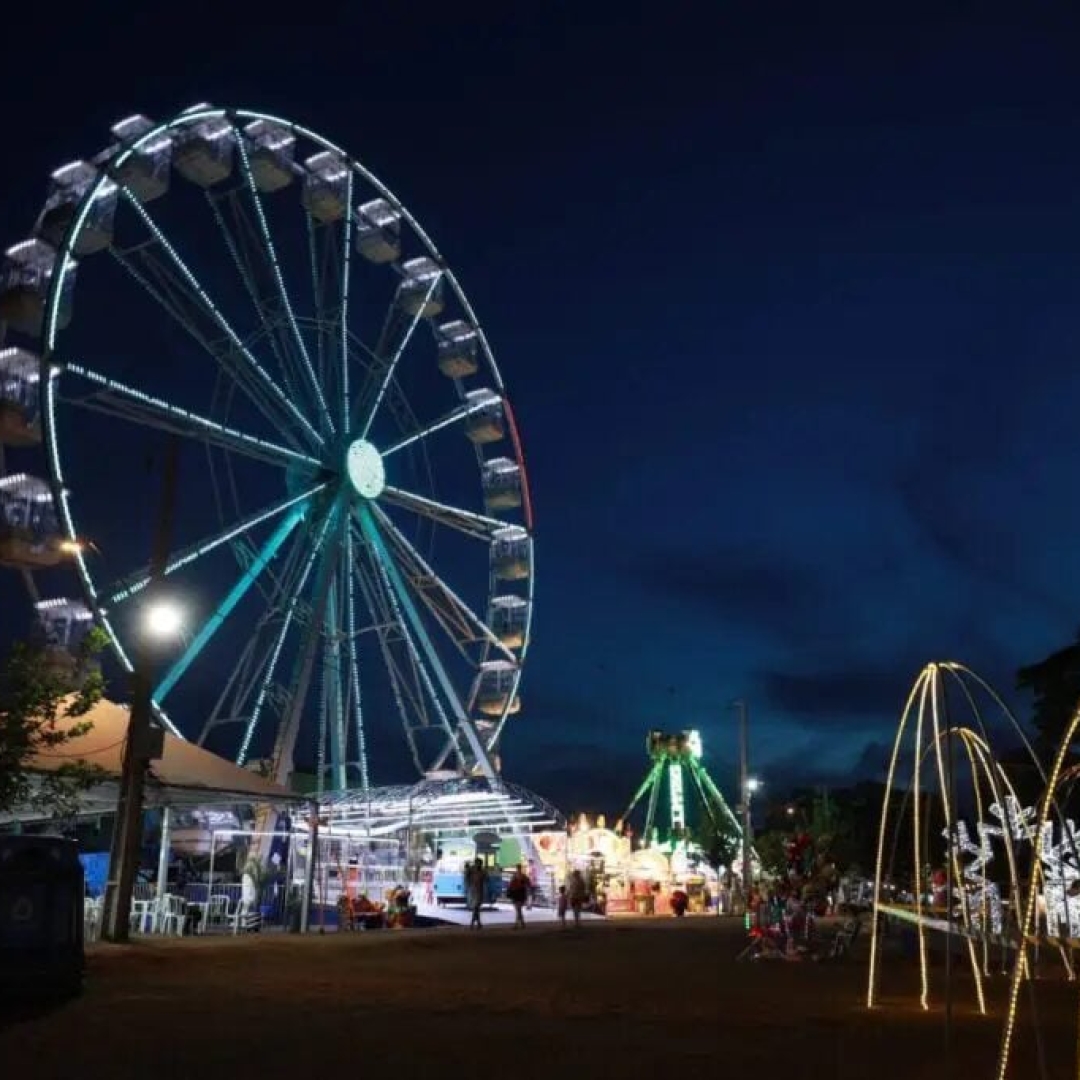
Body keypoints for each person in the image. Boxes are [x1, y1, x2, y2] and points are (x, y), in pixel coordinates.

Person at [465, 857, 487, 929]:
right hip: (473, 891)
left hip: (479, 891)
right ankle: (475, 923)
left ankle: (476, 923)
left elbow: (486, 879)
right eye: (478, 863)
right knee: (476, 908)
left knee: (476, 907)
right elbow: (466, 877)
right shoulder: (471, 870)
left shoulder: (482, 871)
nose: (479, 864)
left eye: (480, 863)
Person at [507, 864, 529, 929]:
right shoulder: (523, 876)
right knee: (518, 909)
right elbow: (528, 883)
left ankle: (517, 924)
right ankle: (522, 923)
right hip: (519, 893)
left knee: (518, 909)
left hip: (517, 893)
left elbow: (511, 884)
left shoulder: (516, 876)